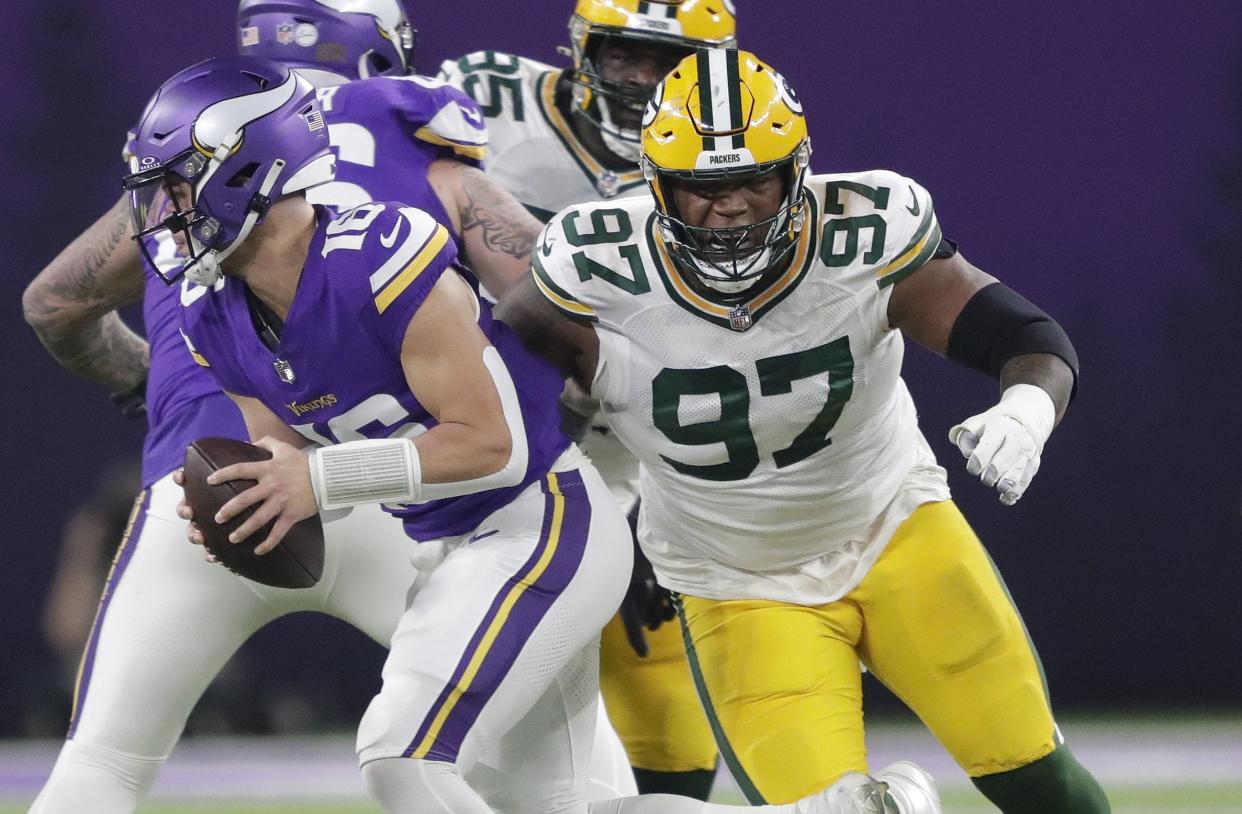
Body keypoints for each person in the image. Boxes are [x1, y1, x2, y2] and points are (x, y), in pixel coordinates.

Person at [143, 54, 881, 814]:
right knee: (558, 808)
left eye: (173, 186)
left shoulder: (376, 252)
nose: (162, 213)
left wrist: (317, 482)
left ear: (246, 173)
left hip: (540, 518)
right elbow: (293, 467)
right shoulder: (213, 311)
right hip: (454, 545)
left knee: (402, 759)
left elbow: (492, 446)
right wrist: (258, 501)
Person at [19, 2, 630, 810]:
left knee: (106, 763)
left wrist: (146, 389)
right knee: (542, 785)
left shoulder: (323, 223)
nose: (161, 217)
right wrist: (602, 419)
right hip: (351, 489)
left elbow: (53, 303)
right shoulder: (239, 239)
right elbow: (556, 314)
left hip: (296, 485)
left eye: (172, 194)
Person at [495, 48, 1113, 814]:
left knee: (1038, 780)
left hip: (897, 529)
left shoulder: (865, 229)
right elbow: (505, 400)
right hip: (733, 579)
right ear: (657, 184)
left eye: (755, 177)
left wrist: (1026, 411)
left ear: (797, 170)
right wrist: (602, 526)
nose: (732, 206)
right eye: (701, 186)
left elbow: (1023, 334)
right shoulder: (595, 267)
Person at [439, 1, 735, 797]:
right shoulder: (485, 100)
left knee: (661, 676)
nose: (642, 80)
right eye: (624, 54)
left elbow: (726, 351)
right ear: (581, 49)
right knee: (474, 693)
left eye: (665, 62)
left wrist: (658, 515)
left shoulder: (735, 162)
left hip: (626, 448)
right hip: (476, 434)